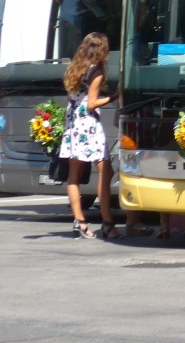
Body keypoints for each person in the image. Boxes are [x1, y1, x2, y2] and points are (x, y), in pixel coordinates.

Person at [60, 32, 119, 240]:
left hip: (73, 125)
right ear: (101, 50)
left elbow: (73, 99)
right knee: (106, 172)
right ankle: (108, 223)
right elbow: (92, 103)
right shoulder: (97, 72)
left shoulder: (74, 69)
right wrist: (113, 97)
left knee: (73, 177)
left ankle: (80, 222)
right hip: (89, 127)